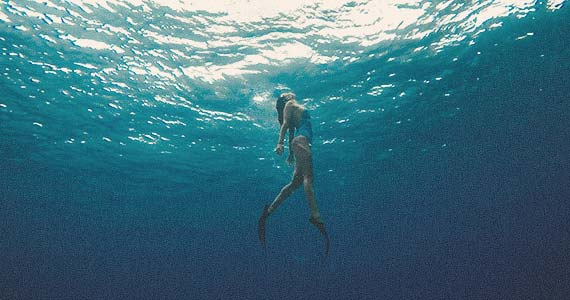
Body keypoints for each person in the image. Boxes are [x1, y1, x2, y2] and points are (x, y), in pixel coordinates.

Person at [258, 92, 330, 258]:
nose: (289, 93)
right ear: (285, 99)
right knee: (308, 179)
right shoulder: (290, 104)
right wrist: (279, 143)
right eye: (285, 95)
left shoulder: (292, 109)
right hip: (302, 142)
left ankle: (268, 211)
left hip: (298, 142)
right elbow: (284, 125)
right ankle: (316, 215)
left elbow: (291, 132)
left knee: (295, 184)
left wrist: (290, 154)